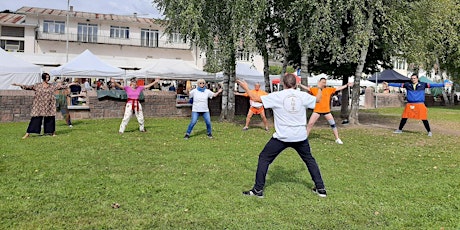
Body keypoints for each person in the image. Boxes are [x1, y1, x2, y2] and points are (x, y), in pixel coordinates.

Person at [237, 73, 327, 198]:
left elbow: (255, 98)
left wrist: (246, 87)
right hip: (300, 137)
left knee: (264, 158)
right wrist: (320, 88)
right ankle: (321, 189)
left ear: (283, 84)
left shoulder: (277, 96)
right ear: (295, 84)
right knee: (309, 160)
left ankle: (258, 190)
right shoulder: (303, 95)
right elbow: (318, 99)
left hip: (282, 137)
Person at [11, 73, 74, 139]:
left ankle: (53, 132)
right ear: (43, 78)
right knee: (35, 119)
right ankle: (28, 133)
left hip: (49, 105)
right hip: (39, 106)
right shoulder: (37, 85)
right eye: (46, 77)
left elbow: (61, 87)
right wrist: (18, 84)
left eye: (48, 77)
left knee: (50, 119)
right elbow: (28, 87)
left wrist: (71, 84)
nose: (48, 79)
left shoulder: (52, 86)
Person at [299, 78, 353, 144]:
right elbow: (307, 88)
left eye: (325, 82)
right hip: (317, 111)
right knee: (310, 124)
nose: (324, 84)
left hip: (326, 111)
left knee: (333, 124)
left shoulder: (328, 89)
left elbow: (338, 88)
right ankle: (304, 139)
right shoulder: (315, 89)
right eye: (322, 82)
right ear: (319, 82)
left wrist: (346, 85)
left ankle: (337, 138)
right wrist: (300, 84)